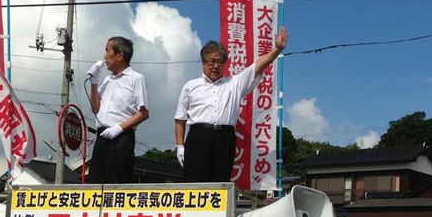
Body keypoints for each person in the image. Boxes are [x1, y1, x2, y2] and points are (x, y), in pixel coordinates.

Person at [174, 26, 287, 183]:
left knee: (220, 185)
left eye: (220, 62)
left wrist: (277, 49)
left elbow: (257, 66)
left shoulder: (234, 83)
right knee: (195, 184)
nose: (216, 66)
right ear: (203, 62)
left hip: (224, 138)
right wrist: (180, 147)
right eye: (212, 61)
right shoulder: (190, 86)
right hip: (198, 137)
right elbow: (180, 119)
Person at [86, 36, 149, 184]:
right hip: (102, 136)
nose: (105, 56)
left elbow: (143, 113)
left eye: (107, 50)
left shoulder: (136, 78)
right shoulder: (108, 80)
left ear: (119, 55)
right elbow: (95, 108)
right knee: (95, 180)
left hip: (122, 137)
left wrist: (119, 128)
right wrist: (94, 84)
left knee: (117, 182)